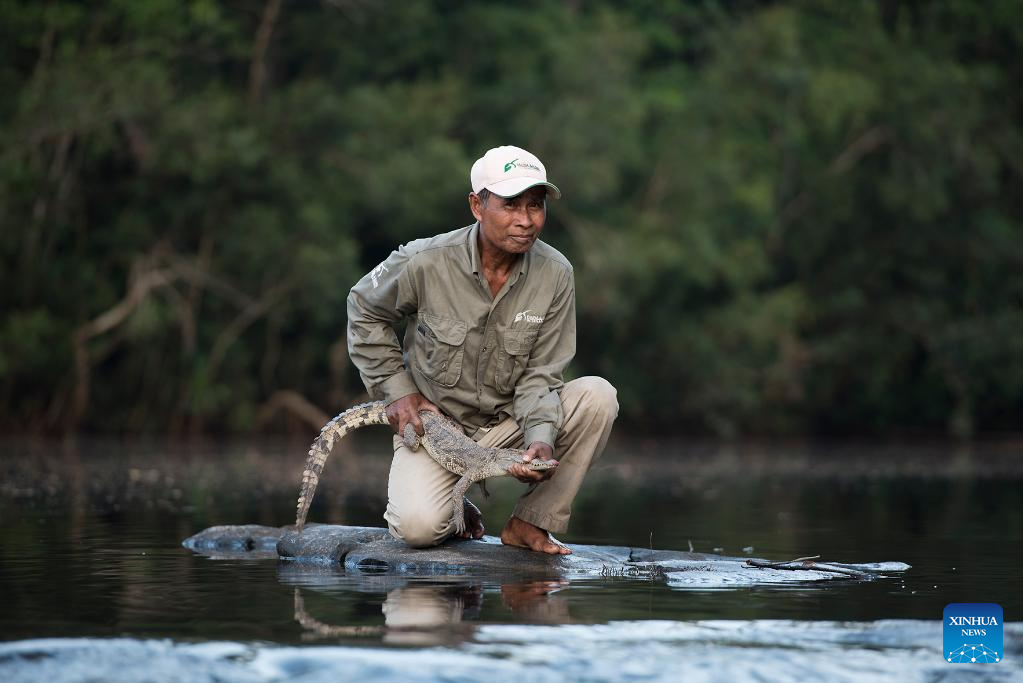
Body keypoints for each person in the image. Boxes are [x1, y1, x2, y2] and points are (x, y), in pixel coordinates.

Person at [346, 145, 618, 555]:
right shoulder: (425, 260)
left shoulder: (556, 273)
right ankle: (457, 507)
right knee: (418, 529)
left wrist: (541, 440)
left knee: (598, 396)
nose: (526, 220)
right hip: (436, 427)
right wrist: (397, 390)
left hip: (511, 421)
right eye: (511, 205)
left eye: (536, 206)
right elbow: (363, 307)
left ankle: (528, 523)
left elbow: (542, 375)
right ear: (477, 205)